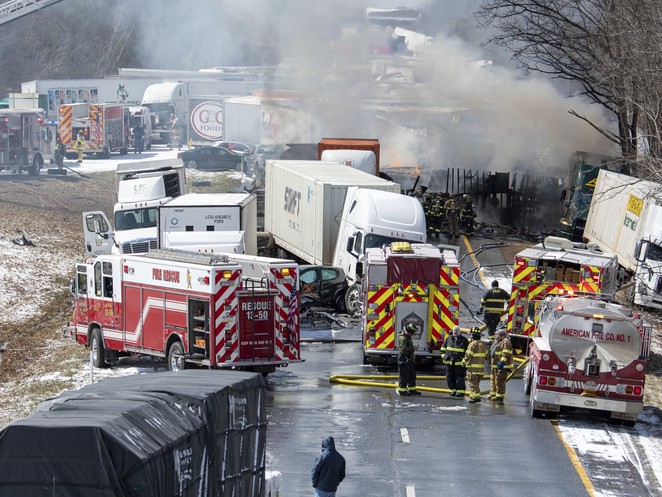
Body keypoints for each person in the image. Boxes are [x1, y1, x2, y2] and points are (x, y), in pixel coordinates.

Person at [461, 327, 489, 403]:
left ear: (472, 336)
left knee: (473, 383)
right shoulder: (483, 344)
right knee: (476, 383)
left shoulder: (473, 344)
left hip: (472, 369)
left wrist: (463, 362)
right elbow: (487, 356)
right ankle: (473, 395)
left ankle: (476, 397)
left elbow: (468, 355)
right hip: (481, 369)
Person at [440, 325, 468, 397]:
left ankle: (460, 392)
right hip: (449, 363)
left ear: (459, 331)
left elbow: (467, 352)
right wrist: (445, 357)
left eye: (457, 330)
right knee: (449, 377)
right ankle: (452, 390)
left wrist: (464, 361)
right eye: (454, 330)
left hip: (459, 364)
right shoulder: (448, 339)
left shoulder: (464, 340)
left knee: (459, 378)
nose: (455, 332)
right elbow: (442, 350)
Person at [488, 328, 513, 402]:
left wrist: (502, 362)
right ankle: (493, 394)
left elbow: (506, 353)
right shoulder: (498, 341)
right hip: (495, 365)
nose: (496, 336)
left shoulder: (506, 341)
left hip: (501, 366)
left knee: (500, 381)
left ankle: (499, 397)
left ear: (501, 335)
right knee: (493, 379)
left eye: (497, 335)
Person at [397, 323, 421, 396]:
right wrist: (413, 348)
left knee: (412, 375)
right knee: (404, 376)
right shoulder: (403, 338)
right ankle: (402, 391)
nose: (411, 334)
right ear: (407, 331)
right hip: (403, 359)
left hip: (408, 358)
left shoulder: (407, 336)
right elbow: (403, 349)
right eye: (411, 333)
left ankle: (412, 390)